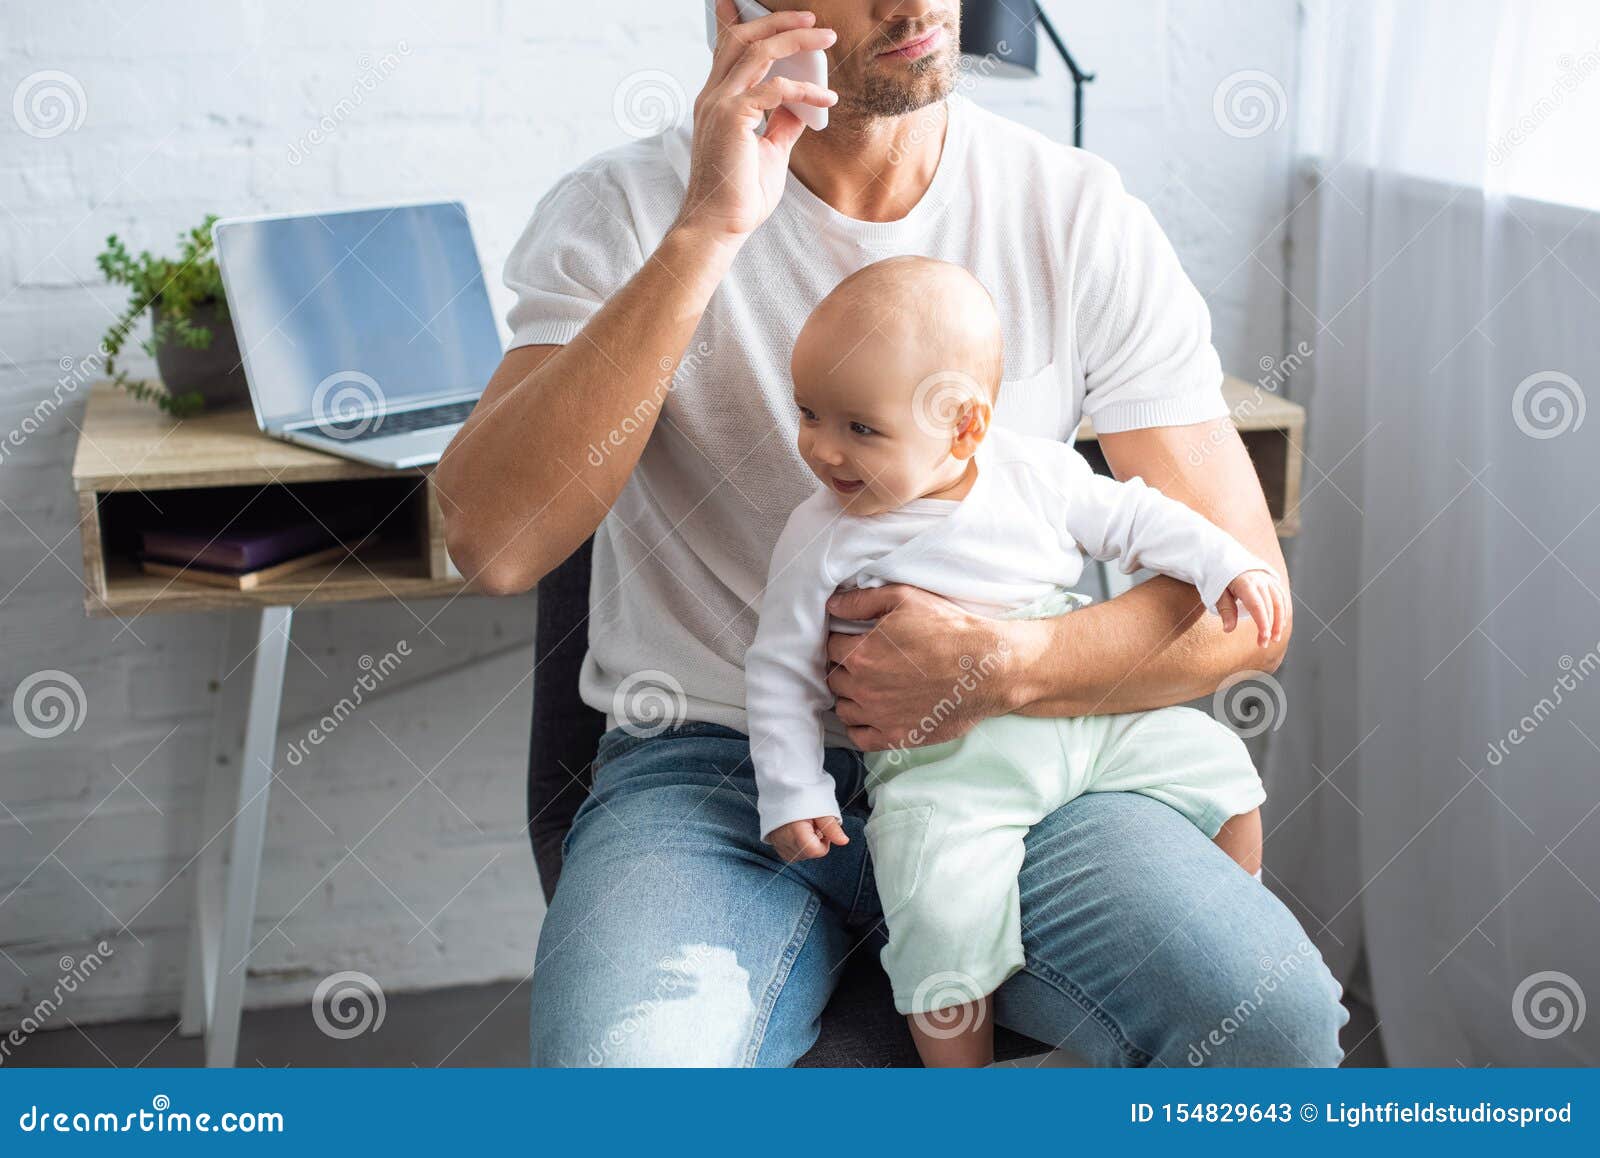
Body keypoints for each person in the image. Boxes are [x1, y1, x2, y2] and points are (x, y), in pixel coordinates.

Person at [436, 0, 1347, 1066]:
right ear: (742, 11)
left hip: (1022, 762)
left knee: (1274, 1026)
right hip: (715, 775)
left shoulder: (1070, 211)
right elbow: (493, 542)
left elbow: (1249, 617)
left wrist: (1008, 665)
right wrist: (708, 231)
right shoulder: (627, 211)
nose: (917, 5)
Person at [747, 255, 1286, 1066]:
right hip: (946, 761)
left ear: (965, 426)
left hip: (1084, 713)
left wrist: (1224, 563)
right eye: (809, 413)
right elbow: (779, 668)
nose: (822, 449)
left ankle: (1233, 907)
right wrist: (793, 788)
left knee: (1223, 768)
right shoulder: (823, 533)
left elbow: (1140, 519)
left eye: (860, 428)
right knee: (940, 903)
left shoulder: (1034, 475)